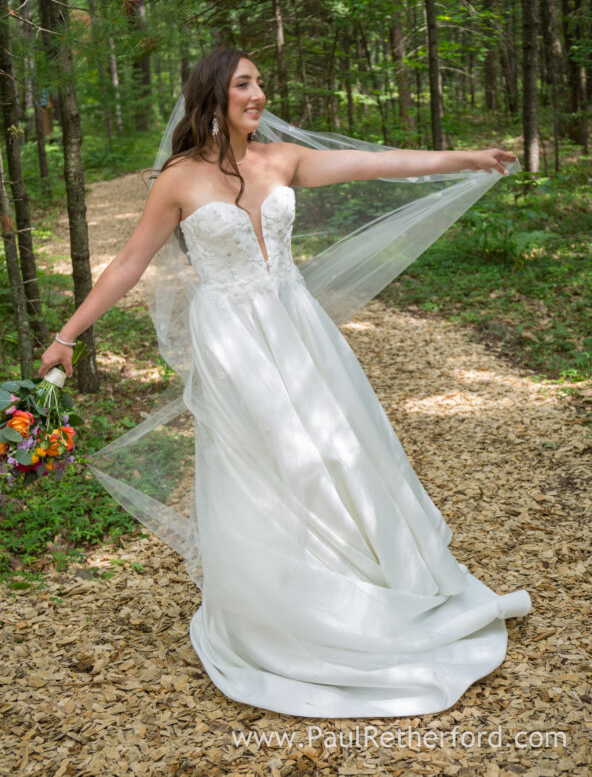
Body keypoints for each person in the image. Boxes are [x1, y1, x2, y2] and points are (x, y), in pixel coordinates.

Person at [38, 48, 531, 718]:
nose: (260, 94)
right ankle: (281, 604)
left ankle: (357, 579)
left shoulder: (280, 160)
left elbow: (379, 163)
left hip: (297, 327)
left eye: (262, 83)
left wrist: (461, 158)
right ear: (213, 94)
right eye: (246, 83)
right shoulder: (179, 178)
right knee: (273, 461)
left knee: (336, 448)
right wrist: (67, 336)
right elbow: (128, 264)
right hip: (232, 340)